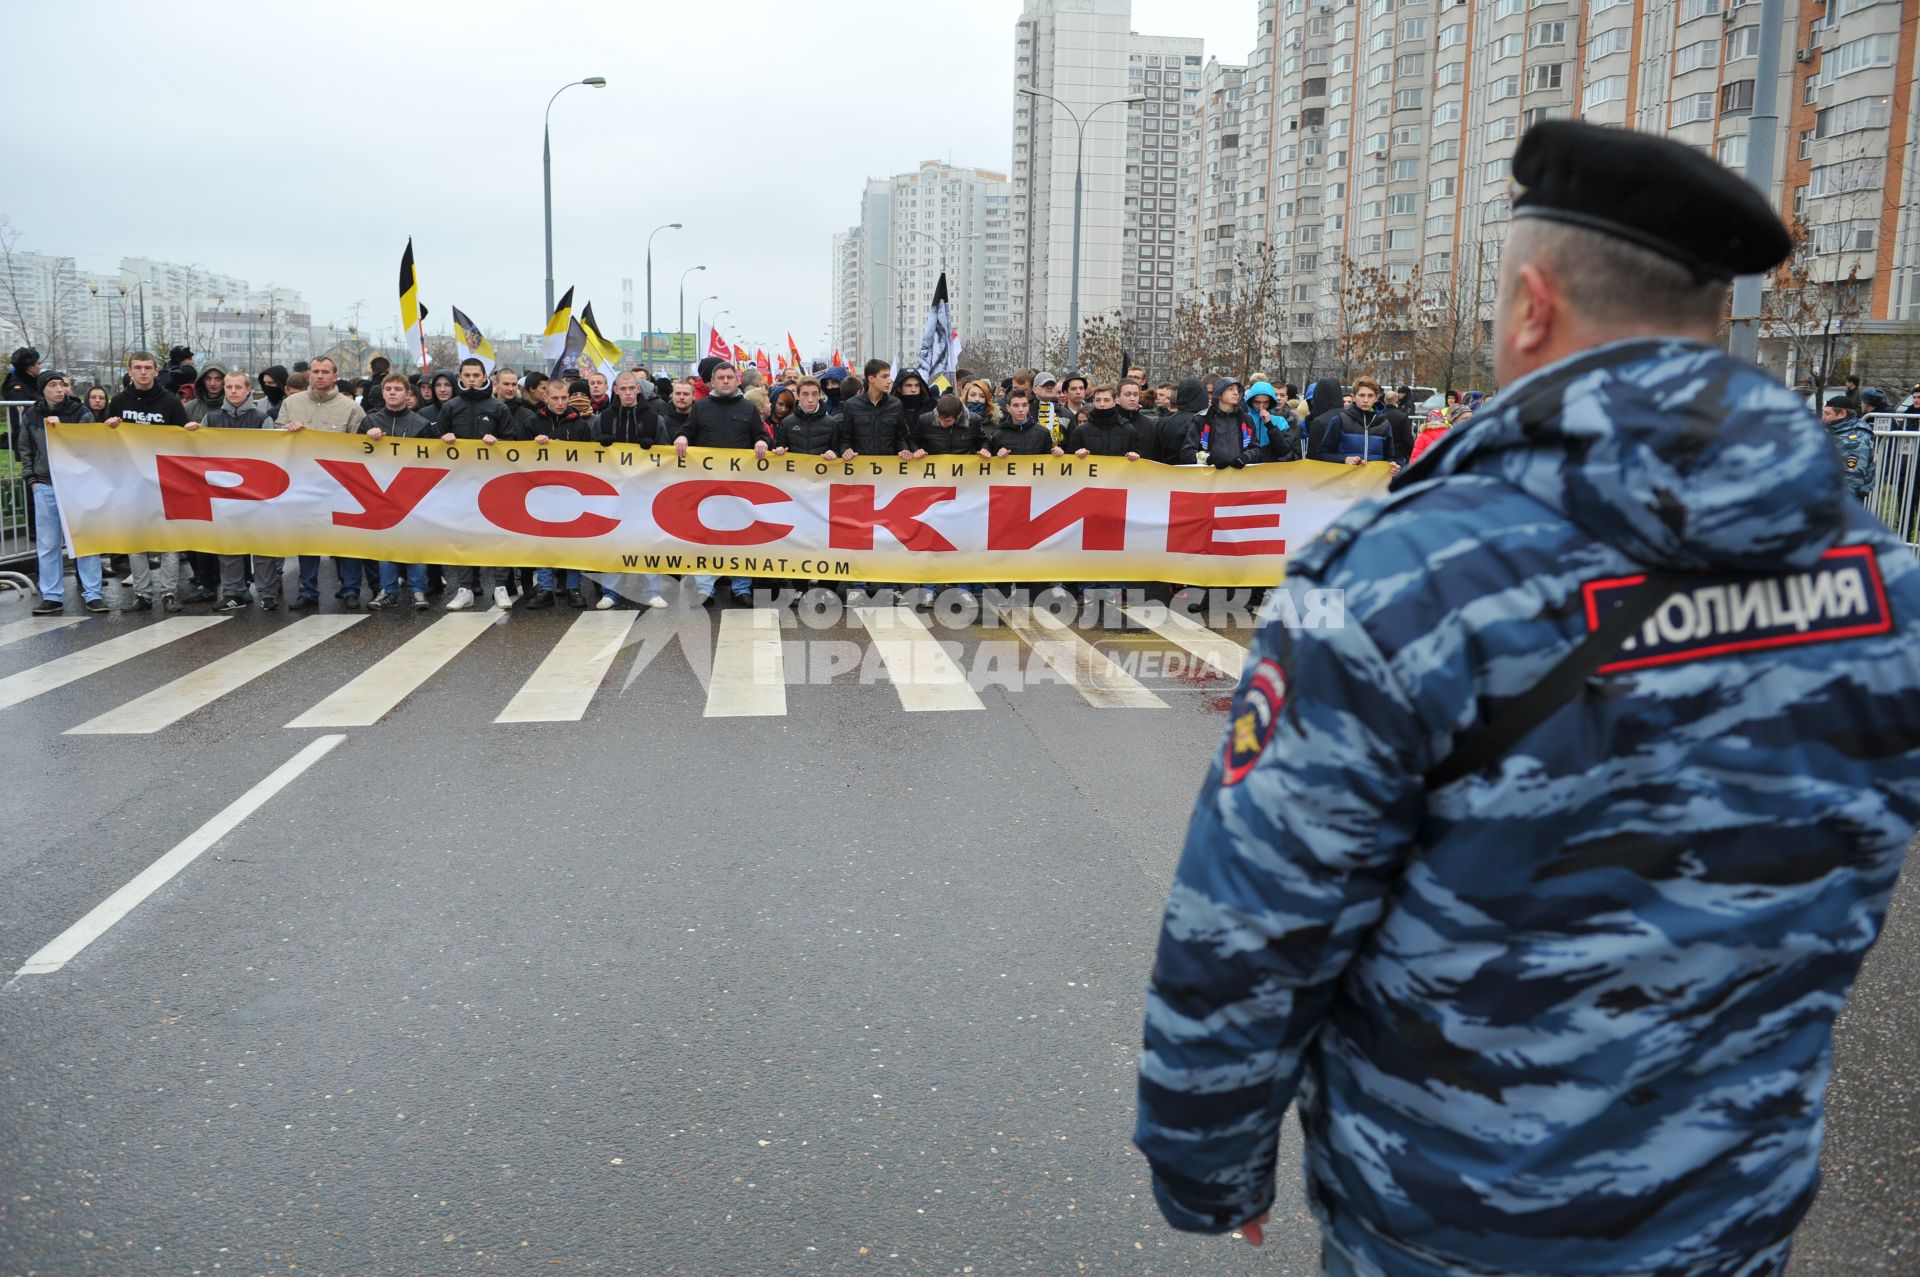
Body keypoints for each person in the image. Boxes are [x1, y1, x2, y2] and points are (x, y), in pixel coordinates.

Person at [1137, 118, 1920, 1277]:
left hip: (1457, 1223)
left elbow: (1254, 920)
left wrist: (1207, 1164)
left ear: (1532, 306)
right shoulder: (1883, 582)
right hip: (1732, 1211)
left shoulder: (1407, 577)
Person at [673, 360, 766, 606]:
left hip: (740, 488)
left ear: (737, 380)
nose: (725, 381)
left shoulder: (748, 408)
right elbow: (686, 431)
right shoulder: (701, 407)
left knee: (741, 538)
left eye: (730, 377)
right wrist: (682, 436)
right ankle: (706, 589)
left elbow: (762, 433)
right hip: (707, 488)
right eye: (721, 378)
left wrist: (761, 441)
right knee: (707, 539)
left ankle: (741, 587)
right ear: (712, 382)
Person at [276, 355, 366, 608]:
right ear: (309, 375)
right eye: (316, 371)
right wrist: (285, 431)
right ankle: (308, 591)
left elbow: (361, 447)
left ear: (335, 376)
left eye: (325, 371)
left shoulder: (351, 408)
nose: (320, 376)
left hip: (341, 484)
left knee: (346, 540)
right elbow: (272, 440)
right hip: (303, 483)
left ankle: (350, 590)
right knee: (308, 539)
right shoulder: (291, 403)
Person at [102, 351, 189, 611]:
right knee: (136, 540)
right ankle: (142, 594)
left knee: (169, 541)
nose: (143, 372)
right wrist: (110, 427)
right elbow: (108, 441)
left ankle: (169, 593)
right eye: (138, 367)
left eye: (148, 367)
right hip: (131, 481)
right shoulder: (118, 402)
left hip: (164, 480)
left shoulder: (171, 402)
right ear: (129, 371)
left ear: (156, 371)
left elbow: (184, 440)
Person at [17, 372, 108, 616]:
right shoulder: (33, 415)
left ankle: (93, 593)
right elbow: (25, 448)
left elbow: (90, 446)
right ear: (43, 389)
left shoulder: (80, 414)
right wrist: (32, 479)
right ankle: (52, 595)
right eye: (53, 385)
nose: (59, 389)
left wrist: (64, 430)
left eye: (62, 385)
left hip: (77, 484)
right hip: (45, 483)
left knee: (85, 539)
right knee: (48, 543)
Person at [197, 371, 284, 610]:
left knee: (263, 545)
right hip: (224, 493)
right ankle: (234, 592)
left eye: (238, 387)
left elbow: (271, 453)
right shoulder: (211, 419)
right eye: (229, 387)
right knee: (229, 544)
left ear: (248, 391)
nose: (233, 391)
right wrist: (191, 435)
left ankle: (267, 592)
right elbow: (199, 453)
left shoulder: (261, 418)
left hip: (257, 493)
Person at [353, 373, 437, 612]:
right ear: (382, 393)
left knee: (414, 542)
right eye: (388, 388)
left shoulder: (421, 424)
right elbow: (354, 455)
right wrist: (367, 440)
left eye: (397, 389)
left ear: (407, 393)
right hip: (379, 491)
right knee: (386, 543)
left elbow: (430, 459)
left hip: (411, 492)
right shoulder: (370, 422)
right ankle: (388, 591)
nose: (392, 392)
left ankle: (418, 589)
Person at [1309, 376, 1410, 469]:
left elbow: (1389, 457)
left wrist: (1391, 466)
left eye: (1370, 396)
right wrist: (1344, 460)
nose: (1365, 400)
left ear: (1376, 398)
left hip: (1373, 483)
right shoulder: (1339, 420)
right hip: (1345, 482)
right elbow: (1322, 454)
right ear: (1353, 397)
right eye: (1362, 395)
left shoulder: (1384, 424)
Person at [1822, 395, 1875, 502]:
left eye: (1828, 414)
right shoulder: (1832, 430)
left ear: (1842, 413)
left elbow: (1852, 475)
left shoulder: (1856, 438)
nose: (1823, 417)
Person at [985, 387, 1051, 456]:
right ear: (1008, 408)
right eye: (1016, 405)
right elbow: (993, 464)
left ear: (1028, 406)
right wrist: (998, 455)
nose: (1020, 409)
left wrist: (1057, 453)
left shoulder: (1043, 433)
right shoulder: (998, 436)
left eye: (1024, 405)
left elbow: (1051, 463)